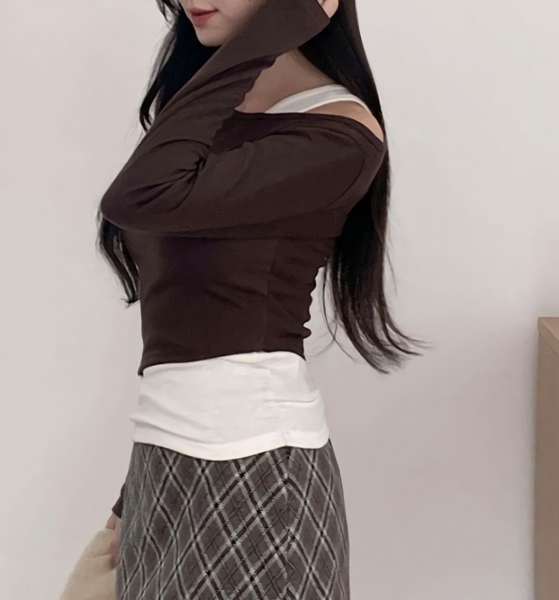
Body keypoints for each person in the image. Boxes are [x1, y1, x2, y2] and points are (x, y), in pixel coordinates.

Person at [97, 0, 427, 597]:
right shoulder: (206, 116)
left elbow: (138, 197)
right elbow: (185, 314)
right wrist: (134, 490)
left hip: (257, 473)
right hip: (163, 466)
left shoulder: (339, 136)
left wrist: (275, 30)